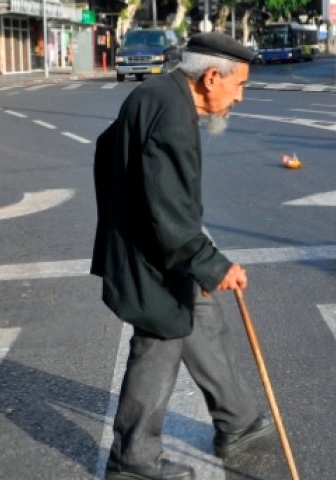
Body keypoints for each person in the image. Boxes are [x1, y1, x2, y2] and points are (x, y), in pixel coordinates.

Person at [91, 32, 276, 480]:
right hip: (151, 256)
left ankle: (238, 421)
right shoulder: (172, 116)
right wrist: (214, 263)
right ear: (212, 77)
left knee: (203, 320)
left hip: (155, 248)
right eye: (239, 86)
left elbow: (106, 147)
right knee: (159, 342)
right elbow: (170, 214)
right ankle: (133, 462)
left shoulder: (154, 92)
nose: (241, 97)